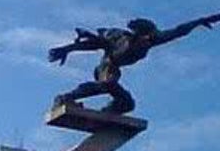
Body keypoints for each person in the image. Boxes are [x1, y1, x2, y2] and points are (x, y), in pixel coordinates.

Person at [49, 13, 220, 113]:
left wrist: (202, 20)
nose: (148, 42)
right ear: (138, 34)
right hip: (107, 65)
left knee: (128, 104)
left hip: (115, 68)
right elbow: (96, 43)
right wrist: (68, 49)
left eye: (150, 38)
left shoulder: (152, 40)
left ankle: (115, 107)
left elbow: (179, 31)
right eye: (145, 38)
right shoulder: (120, 38)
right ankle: (65, 98)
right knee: (107, 83)